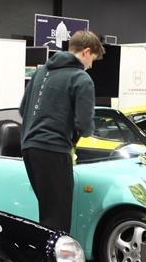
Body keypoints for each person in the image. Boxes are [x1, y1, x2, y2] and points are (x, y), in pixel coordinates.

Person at [19, 30, 105, 233]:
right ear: (86, 51)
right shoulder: (81, 78)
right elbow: (84, 125)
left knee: (47, 213)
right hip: (54, 150)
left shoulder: (41, 72)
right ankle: (55, 255)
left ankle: (44, 251)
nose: (91, 65)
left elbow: (23, 110)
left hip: (29, 150)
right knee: (58, 220)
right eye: (92, 59)